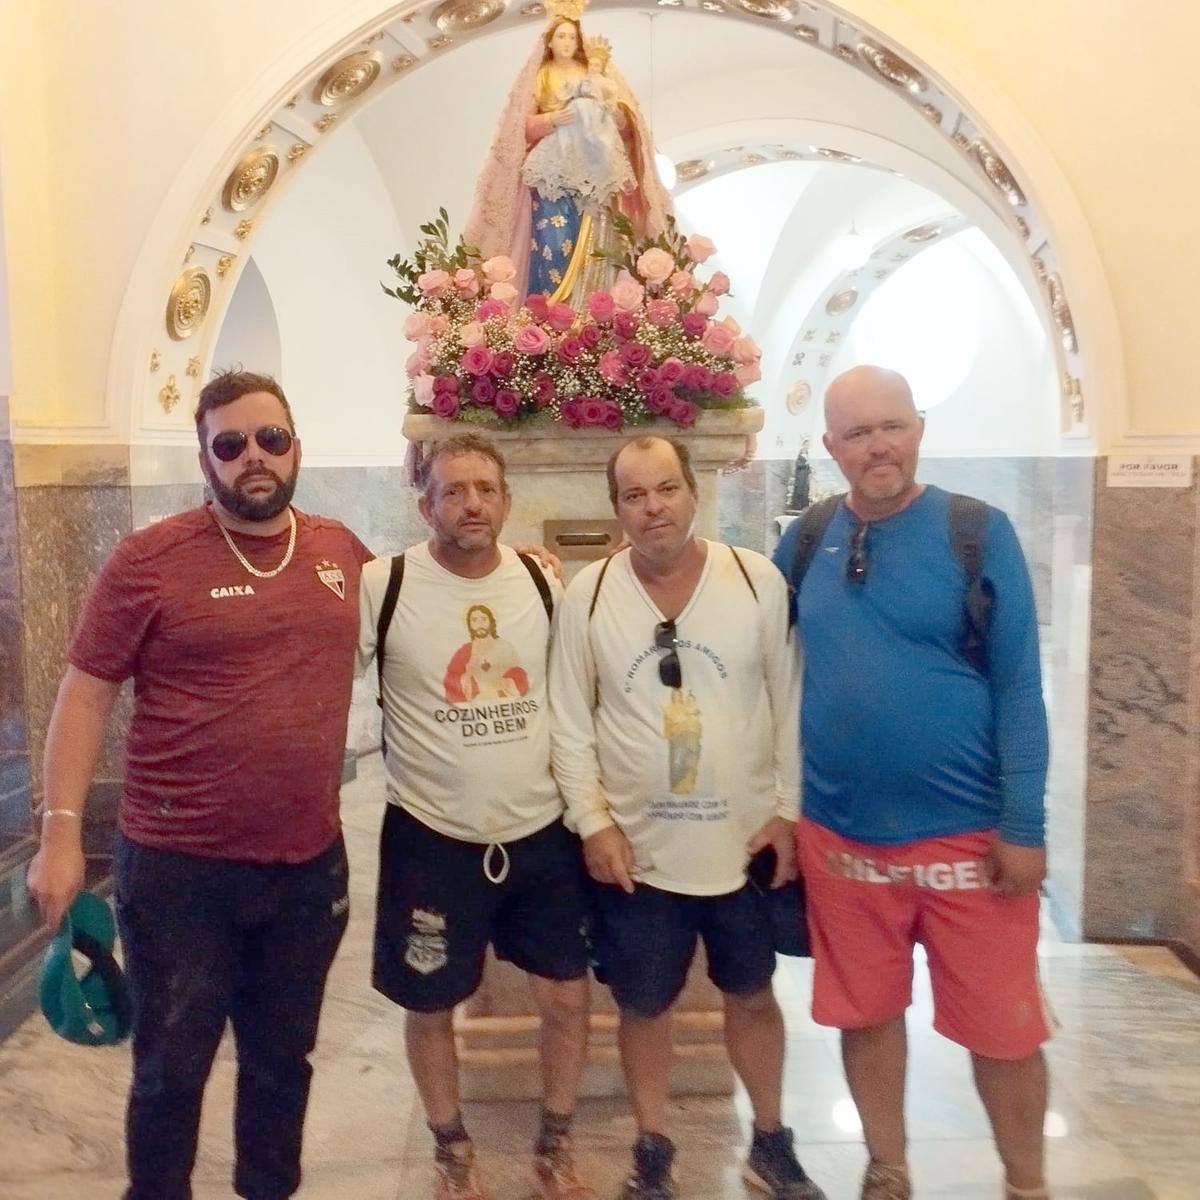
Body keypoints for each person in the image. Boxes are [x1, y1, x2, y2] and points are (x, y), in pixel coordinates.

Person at [25, 369, 372, 1200]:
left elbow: (429, 597)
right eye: (231, 443)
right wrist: (60, 833)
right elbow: (83, 691)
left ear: (295, 446)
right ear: (206, 459)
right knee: (172, 1070)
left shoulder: (341, 552)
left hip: (305, 868)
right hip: (180, 871)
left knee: (282, 1062)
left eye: (271, 439)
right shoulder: (149, 561)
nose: (254, 457)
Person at [774, 366, 1052, 1200]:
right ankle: (886, 1168)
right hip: (841, 834)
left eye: (891, 426)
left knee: (1005, 1030)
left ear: (919, 429)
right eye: (857, 434)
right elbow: (761, 663)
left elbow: (1018, 686)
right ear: (831, 448)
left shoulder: (976, 531)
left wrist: (1026, 825)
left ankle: (1026, 1183)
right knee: (867, 1012)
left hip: (969, 837)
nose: (877, 446)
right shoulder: (806, 538)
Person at [550, 436, 826, 1200]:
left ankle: (769, 1140)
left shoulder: (755, 580)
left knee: (752, 995)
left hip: (743, 845)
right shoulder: (591, 597)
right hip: (639, 855)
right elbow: (569, 720)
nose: (653, 507)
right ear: (617, 509)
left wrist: (789, 813)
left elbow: (790, 699)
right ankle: (653, 1148)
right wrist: (594, 823)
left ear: (692, 491)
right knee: (643, 1004)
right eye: (635, 495)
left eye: (666, 488)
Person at [358, 433, 595, 1200]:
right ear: (424, 501)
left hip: (540, 834)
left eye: (485, 489)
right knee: (431, 1001)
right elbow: (320, 676)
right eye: (453, 490)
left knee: (565, 993)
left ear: (507, 500)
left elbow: (570, 689)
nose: (471, 504)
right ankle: (452, 1149)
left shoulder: (540, 578)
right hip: (432, 839)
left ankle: (554, 1143)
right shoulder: (384, 584)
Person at [463, 3, 671, 305]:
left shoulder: (591, 73)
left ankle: (587, 306)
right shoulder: (542, 75)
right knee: (553, 238)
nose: (567, 43)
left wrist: (609, 110)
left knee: (598, 236)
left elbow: (622, 120)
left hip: (594, 165)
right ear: (549, 41)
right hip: (553, 167)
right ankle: (551, 307)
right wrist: (551, 120)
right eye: (561, 37)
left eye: (572, 38)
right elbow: (520, 126)